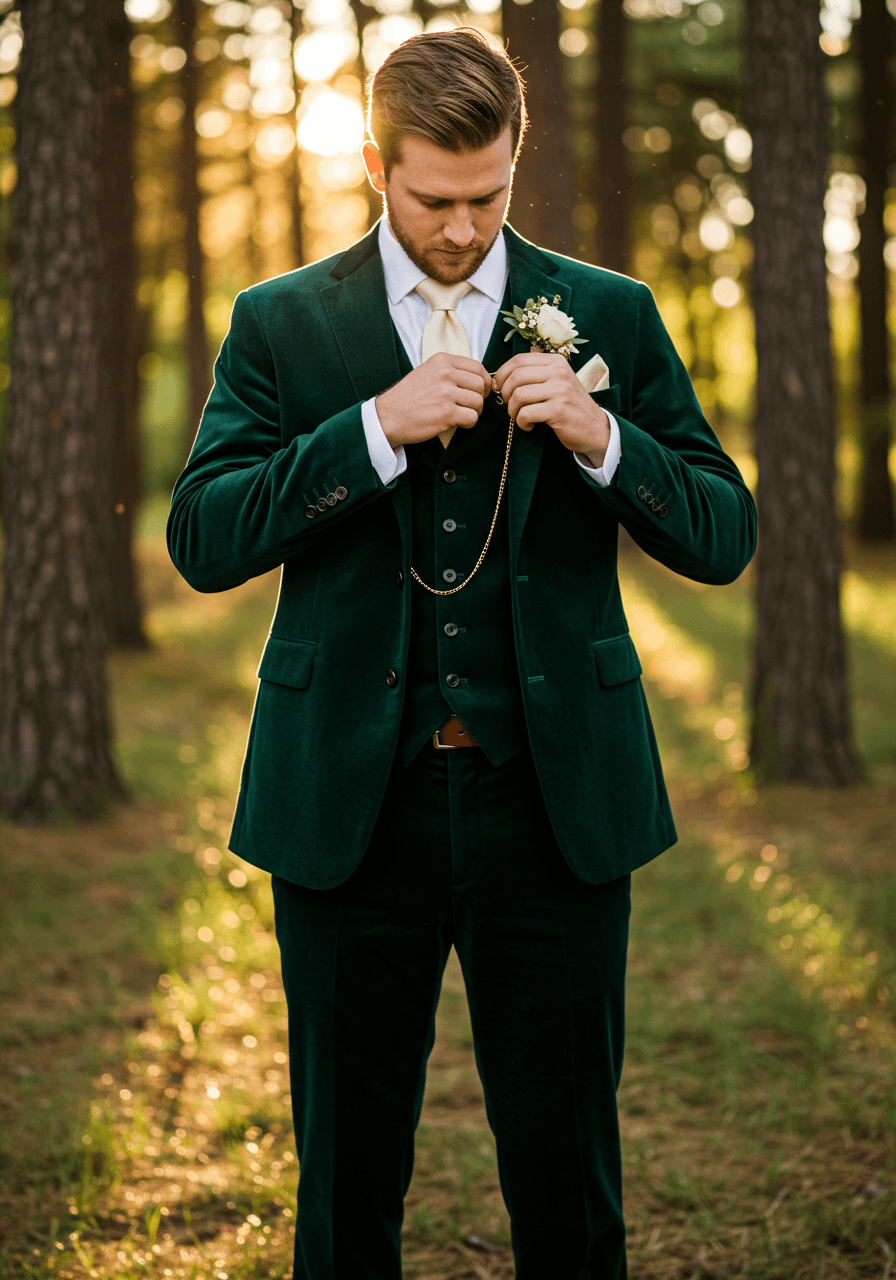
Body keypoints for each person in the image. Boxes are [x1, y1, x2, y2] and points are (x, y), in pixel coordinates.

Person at [167, 27, 756, 1280]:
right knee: (345, 1171)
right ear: (375, 164)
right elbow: (203, 536)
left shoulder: (608, 311)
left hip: (551, 805)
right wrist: (369, 429)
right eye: (433, 199)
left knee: (565, 1165)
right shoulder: (278, 321)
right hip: (345, 804)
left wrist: (602, 434)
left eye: (487, 196)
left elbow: (719, 529)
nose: (461, 228)